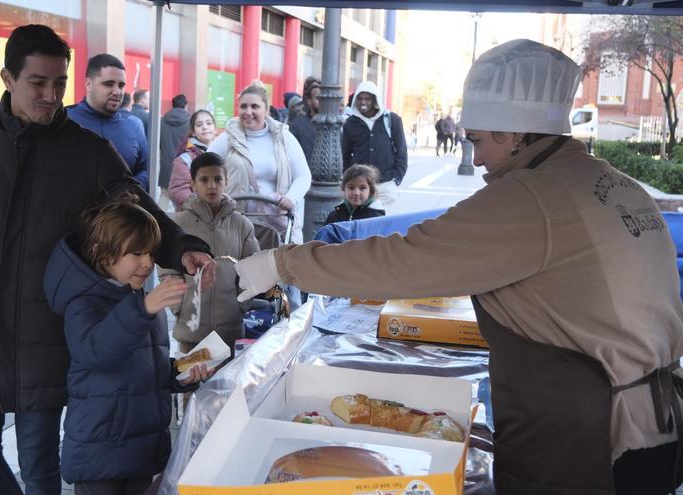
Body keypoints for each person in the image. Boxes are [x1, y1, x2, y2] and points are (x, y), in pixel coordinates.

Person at [235, 39, 683, 495]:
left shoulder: (530, 197)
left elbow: (403, 260)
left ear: (515, 134)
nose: (477, 157)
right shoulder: (616, 183)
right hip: (654, 422)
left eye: (479, 140)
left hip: (591, 439)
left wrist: (278, 263)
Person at [0, 25, 214, 495]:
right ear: (8, 78)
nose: (52, 95)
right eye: (38, 82)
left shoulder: (88, 151)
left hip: (47, 335)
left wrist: (184, 246)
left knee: (40, 470)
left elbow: (141, 208)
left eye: (60, 83)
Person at [43, 194, 211, 495]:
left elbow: (147, 367)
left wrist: (180, 374)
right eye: (135, 253)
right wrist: (144, 309)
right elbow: (95, 352)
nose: (147, 263)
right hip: (100, 452)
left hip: (141, 448)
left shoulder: (138, 300)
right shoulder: (84, 302)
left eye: (150, 252)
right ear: (102, 254)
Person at [160, 152, 260, 352]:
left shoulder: (241, 224)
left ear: (226, 181)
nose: (211, 185)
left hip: (229, 329)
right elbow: (167, 269)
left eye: (217, 179)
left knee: (226, 382)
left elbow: (252, 268)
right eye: (204, 180)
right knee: (189, 380)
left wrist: (241, 304)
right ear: (193, 184)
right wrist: (179, 305)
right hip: (191, 327)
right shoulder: (178, 224)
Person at [208, 80, 312, 245]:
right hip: (236, 224)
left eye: (254, 106)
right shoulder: (227, 138)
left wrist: (290, 198)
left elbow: (303, 176)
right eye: (243, 106)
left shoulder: (284, 137)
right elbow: (204, 169)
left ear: (267, 110)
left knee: (273, 269)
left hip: (276, 223)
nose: (248, 112)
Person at [67, 54, 149, 191]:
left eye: (121, 85)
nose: (117, 92)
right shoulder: (64, 119)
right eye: (108, 84)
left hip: (122, 210)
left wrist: (130, 191)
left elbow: (144, 169)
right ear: (88, 84)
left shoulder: (134, 125)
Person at [341, 81, 408, 212]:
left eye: (367, 99)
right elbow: (346, 155)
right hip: (360, 187)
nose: (363, 102)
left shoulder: (392, 120)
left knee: (384, 225)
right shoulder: (350, 124)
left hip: (386, 184)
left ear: (375, 100)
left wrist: (396, 179)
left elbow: (401, 152)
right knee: (362, 223)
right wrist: (348, 177)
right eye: (359, 98)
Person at [168, 109, 216, 209]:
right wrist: (204, 208)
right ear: (193, 132)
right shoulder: (184, 158)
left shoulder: (224, 151)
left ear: (215, 128)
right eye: (199, 125)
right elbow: (178, 191)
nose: (205, 127)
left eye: (209, 123)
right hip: (196, 218)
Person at [159, 94, 190, 210]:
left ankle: (159, 224)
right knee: (182, 198)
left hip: (166, 164)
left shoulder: (162, 120)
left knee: (164, 196)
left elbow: (159, 144)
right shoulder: (191, 121)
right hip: (184, 166)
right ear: (185, 106)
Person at [289, 76, 320, 165]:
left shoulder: (333, 125)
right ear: (309, 101)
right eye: (318, 98)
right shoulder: (298, 124)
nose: (322, 101)